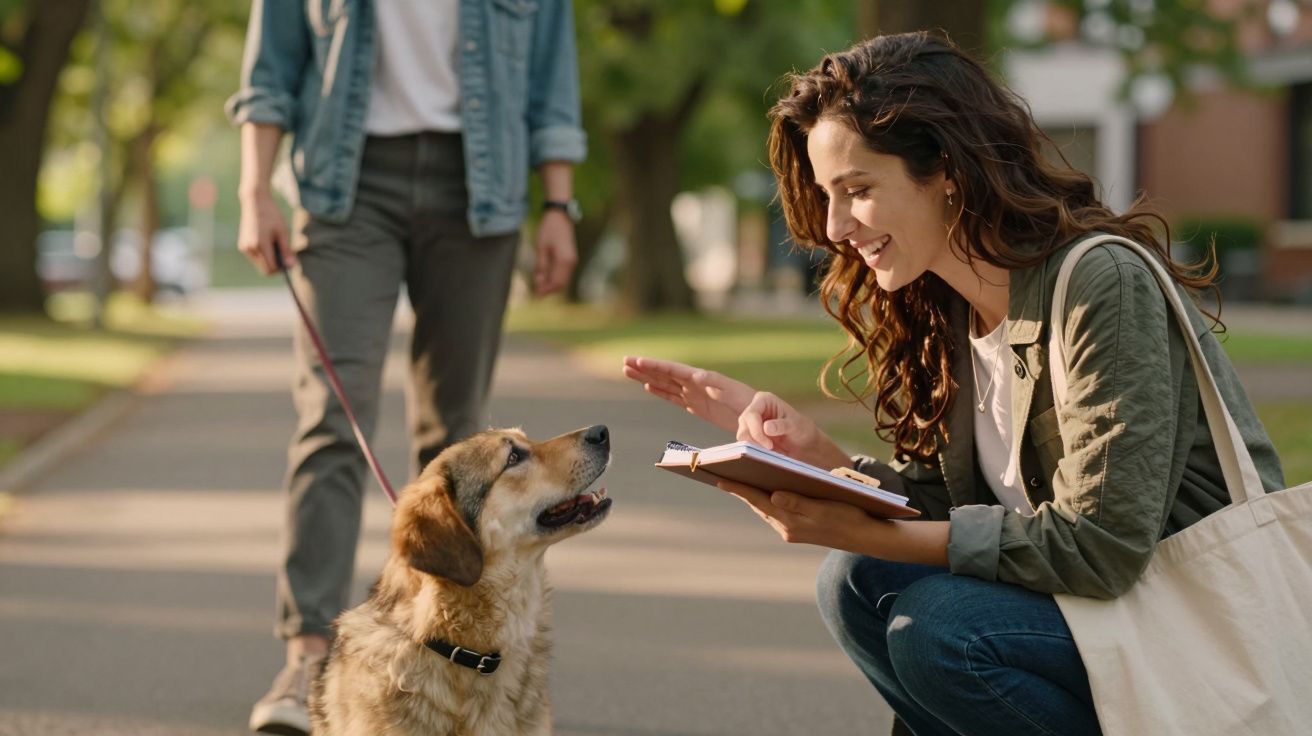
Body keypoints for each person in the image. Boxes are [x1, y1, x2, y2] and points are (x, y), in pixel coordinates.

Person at [623, 32, 1285, 736]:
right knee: (855, 583)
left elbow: (1103, 549)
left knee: (941, 628)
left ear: (945, 169)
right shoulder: (947, 303)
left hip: (1178, 625)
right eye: (826, 195)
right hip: (1097, 617)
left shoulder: (1100, 282)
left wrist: (873, 535)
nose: (836, 225)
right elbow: (962, 506)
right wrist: (823, 462)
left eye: (858, 190)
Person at [226, 1, 586, 733]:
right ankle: (309, 653)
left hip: (479, 184)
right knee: (332, 418)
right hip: (345, 179)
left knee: (461, 441)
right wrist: (253, 186)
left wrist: (558, 203)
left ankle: (451, 661)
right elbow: (271, 71)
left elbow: (552, 79)